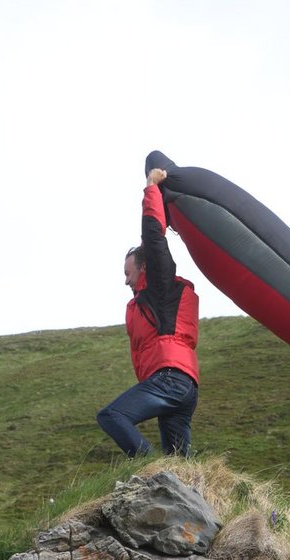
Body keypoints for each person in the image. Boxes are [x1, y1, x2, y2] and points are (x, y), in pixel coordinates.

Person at [97, 168, 199, 457]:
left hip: (169, 377)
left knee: (112, 416)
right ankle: (185, 494)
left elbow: (153, 237)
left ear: (144, 268)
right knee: (179, 461)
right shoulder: (146, 300)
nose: (125, 280)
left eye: (128, 272)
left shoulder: (159, 287)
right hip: (184, 384)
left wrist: (151, 187)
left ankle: (150, 470)